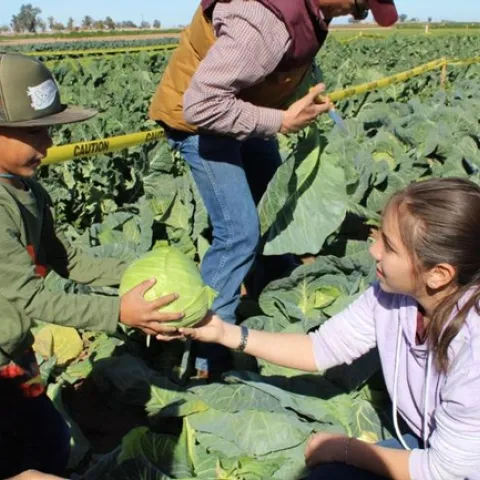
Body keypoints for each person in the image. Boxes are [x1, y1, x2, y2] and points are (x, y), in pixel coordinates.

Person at [161, 177, 480, 479]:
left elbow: (442, 472)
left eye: (390, 246)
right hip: (426, 446)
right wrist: (223, 333)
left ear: (438, 274)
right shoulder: (392, 297)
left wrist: (345, 448)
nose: (373, 250)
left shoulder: (473, 352)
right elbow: (322, 348)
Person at [148, 0, 399, 376]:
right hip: (202, 123)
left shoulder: (311, 10)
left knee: (275, 211)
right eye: (359, 6)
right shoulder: (261, 20)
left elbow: (277, 62)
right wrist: (280, 120)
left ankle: (280, 307)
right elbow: (199, 106)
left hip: (239, 108)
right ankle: (202, 355)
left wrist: (298, 94)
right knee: (239, 234)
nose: (354, 15)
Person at [0, 52, 183, 479]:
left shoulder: (26, 189)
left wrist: (145, 270)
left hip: (14, 350)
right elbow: (29, 294)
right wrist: (117, 312)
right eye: (36, 132)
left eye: (48, 130)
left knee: (47, 441)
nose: (47, 143)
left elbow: (67, 259)